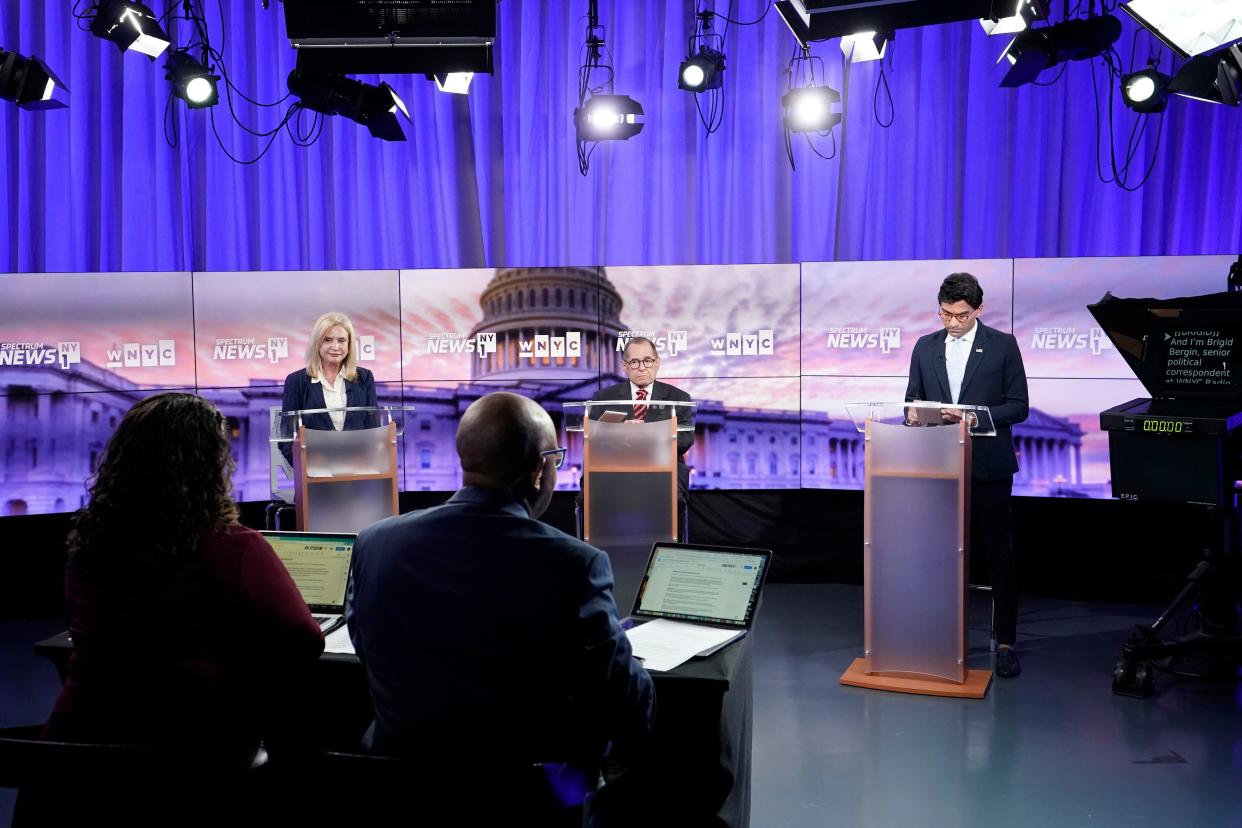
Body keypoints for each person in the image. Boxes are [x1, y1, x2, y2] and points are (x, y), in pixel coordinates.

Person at [346, 392, 654, 767]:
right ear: (539, 470)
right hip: (538, 795)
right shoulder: (575, 565)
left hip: (398, 783)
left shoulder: (374, 544)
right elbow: (625, 702)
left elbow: (366, 647)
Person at [43, 392, 325, 755]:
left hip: (73, 755)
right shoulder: (236, 547)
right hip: (194, 753)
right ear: (209, 466)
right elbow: (304, 639)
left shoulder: (85, 547)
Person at [905, 272, 1030, 678]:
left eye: (960, 315)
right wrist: (912, 413)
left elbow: (1019, 407)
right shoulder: (924, 347)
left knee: (999, 555)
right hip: (937, 464)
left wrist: (971, 417)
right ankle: (930, 638)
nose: (952, 322)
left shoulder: (1003, 346)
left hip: (988, 466)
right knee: (935, 555)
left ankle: (1006, 642)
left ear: (978, 309)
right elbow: (912, 400)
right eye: (945, 314)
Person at [592, 336, 695, 498]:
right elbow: (594, 441)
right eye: (634, 362)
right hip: (617, 471)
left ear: (657, 363)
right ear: (624, 366)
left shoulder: (678, 397)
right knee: (597, 496)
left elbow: (685, 440)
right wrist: (621, 432)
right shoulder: (603, 398)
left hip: (664, 471)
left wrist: (645, 434)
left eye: (647, 360)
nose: (642, 368)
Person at [281, 311, 378, 433]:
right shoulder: (296, 381)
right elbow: (287, 436)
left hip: (357, 452)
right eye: (328, 340)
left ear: (349, 345)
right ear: (317, 343)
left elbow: (374, 430)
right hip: (313, 452)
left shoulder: (365, 378)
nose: (335, 346)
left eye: (341, 340)